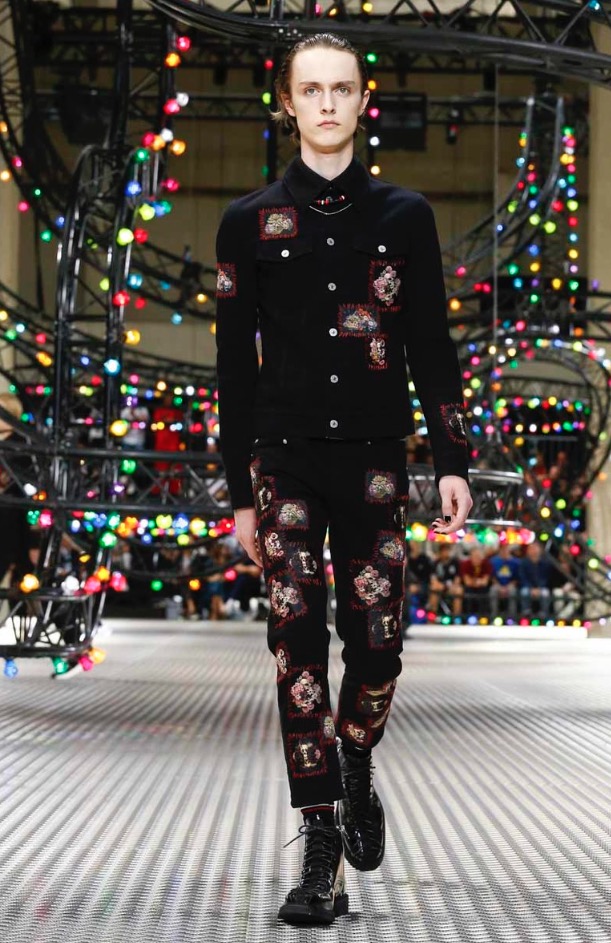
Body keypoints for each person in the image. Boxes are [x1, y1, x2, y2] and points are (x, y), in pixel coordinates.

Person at [215, 32, 473, 925]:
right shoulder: (247, 222)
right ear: (286, 102)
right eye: (311, 89)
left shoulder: (405, 216)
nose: (326, 103)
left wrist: (451, 460)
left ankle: (356, 749)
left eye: (341, 89)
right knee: (294, 643)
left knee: (376, 646)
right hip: (283, 459)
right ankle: (320, 837)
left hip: (374, 462)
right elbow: (233, 367)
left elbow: (430, 343)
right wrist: (239, 493)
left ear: (363, 101)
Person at [427, 542, 463, 620]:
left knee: (459, 591)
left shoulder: (455, 562)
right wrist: (442, 586)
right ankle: (432, 619)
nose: (445, 553)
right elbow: (433, 579)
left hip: (452, 587)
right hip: (440, 587)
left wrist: (453, 586)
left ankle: (456, 618)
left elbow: (458, 578)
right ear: (440, 552)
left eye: (447, 550)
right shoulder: (436, 563)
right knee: (433, 589)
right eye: (443, 551)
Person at [489, 540, 520, 622]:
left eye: (506, 549)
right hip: (497, 584)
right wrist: (499, 587)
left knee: (512, 591)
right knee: (493, 590)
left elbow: (517, 578)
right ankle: (494, 616)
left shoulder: (516, 562)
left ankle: (512, 618)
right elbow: (492, 577)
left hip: (510, 585)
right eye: (502, 549)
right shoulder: (493, 561)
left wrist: (508, 586)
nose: (504, 551)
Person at [519, 541, 551, 619]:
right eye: (531, 549)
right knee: (524, 592)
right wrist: (531, 588)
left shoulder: (545, 563)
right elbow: (523, 578)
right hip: (528, 587)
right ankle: (526, 612)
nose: (533, 551)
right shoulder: (523, 563)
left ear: (540, 550)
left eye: (535, 548)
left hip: (541, 587)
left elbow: (545, 578)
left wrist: (539, 588)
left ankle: (544, 613)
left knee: (545, 593)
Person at [459, 546, 492, 618]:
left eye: (479, 557)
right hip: (470, 588)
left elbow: (485, 582)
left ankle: (484, 616)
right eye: (475, 557)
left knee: (484, 592)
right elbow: (467, 582)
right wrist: (478, 582)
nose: (477, 559)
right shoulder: (465, 564)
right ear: (471, 557)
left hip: (482, 588)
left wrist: (475, 582)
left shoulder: (486, 564)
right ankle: (467, 616)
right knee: (468, 592)